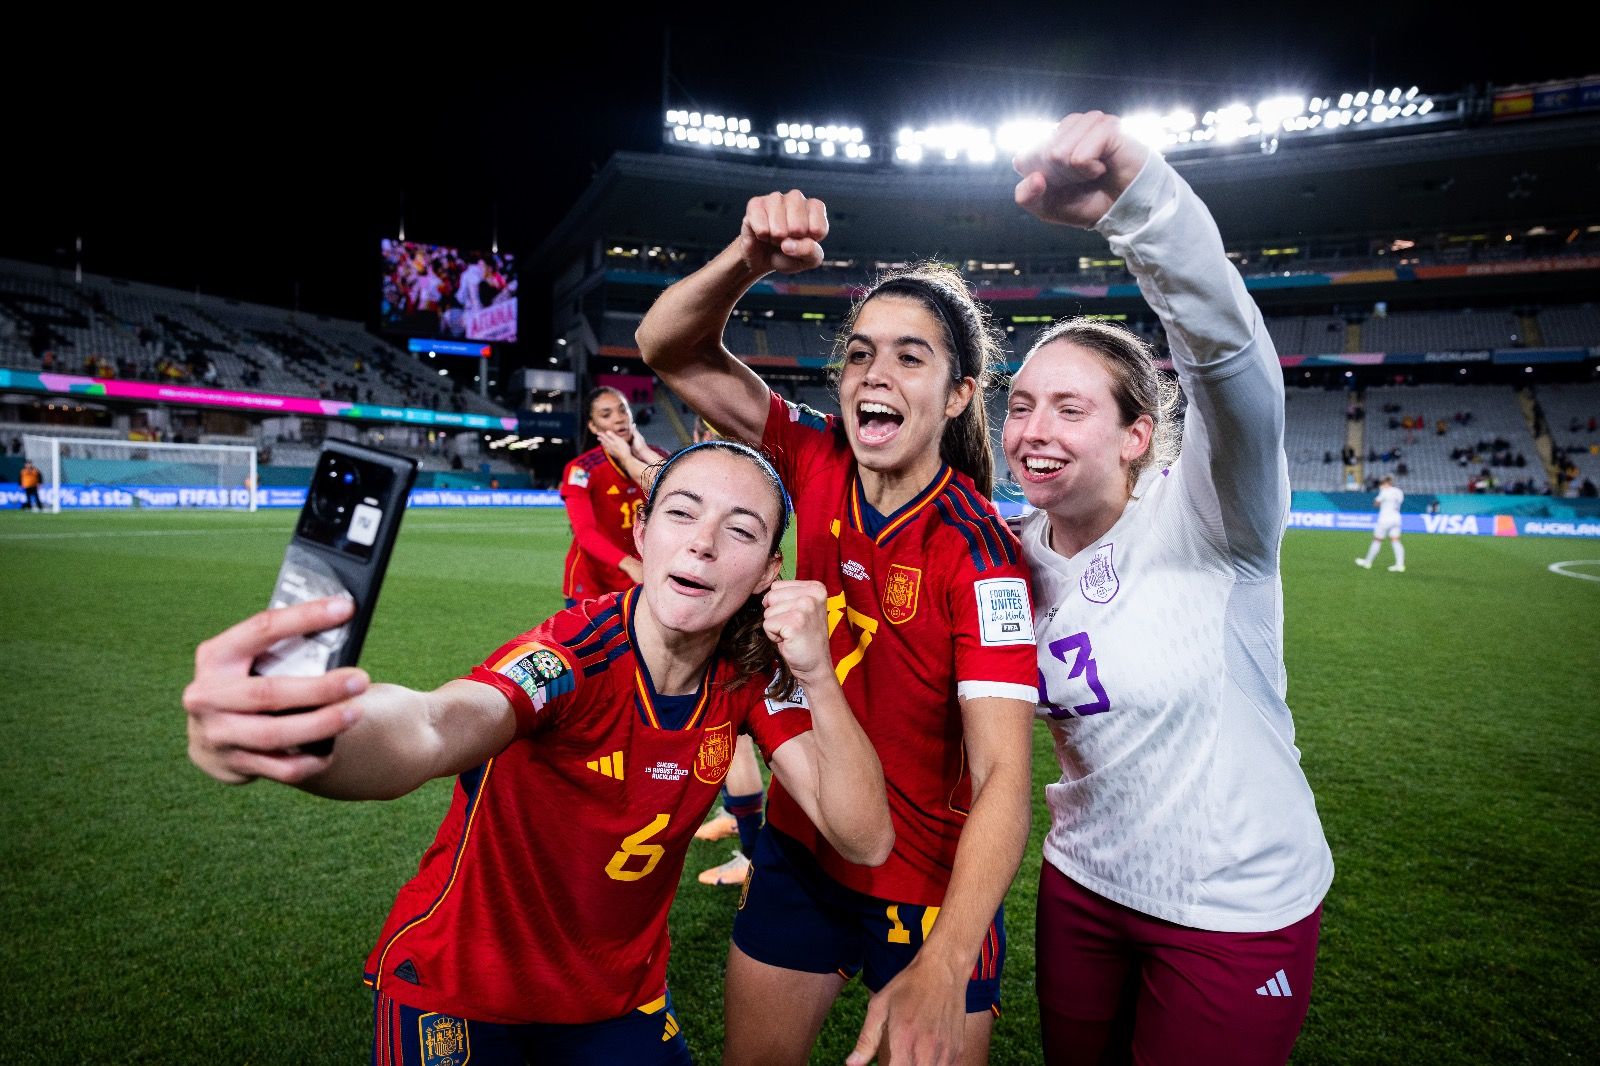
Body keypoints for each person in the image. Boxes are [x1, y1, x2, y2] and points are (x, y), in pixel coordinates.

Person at [182, 440, 892, 1065]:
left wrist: (818, 676)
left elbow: (863, 837)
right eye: (681, 514)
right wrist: (313, 731)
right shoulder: (574, 655)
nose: (703, 543)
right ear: (642, 532)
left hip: (615, 999)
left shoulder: (747, 676)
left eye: (739, 530)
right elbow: (437, 724)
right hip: (461, 987)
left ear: (768, 571)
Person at [638, 190, 1038, 1066]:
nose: (875, 373)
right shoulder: (811, 453)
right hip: (802, 848)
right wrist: (748, 256)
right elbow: (666, 346)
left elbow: (1005, 774)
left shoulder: (980, 557)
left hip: (928, 887)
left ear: (959, 395)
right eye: (860, 353)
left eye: (909, 356)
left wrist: (949, 958)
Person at [1003, 112, 1333, 1066]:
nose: (1034, 430)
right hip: (1081, 886)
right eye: (1020, 406)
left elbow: (1231, 359)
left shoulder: (1212, 518)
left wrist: (1140, 204)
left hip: (1233, 905)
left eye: (1071, 408)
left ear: (1137, 435)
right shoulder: (1009, 553)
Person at [559, 387, 667, 607]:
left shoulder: (655, 457)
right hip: (592, 586)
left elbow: (682, 487)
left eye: (623, 410)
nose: (619, 418)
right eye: (606, 414)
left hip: (641, 582)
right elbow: (585, 533)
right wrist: (630, 564)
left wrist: (642, 451)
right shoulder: (582, 469)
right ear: (593, 426)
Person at [1356, 475, 1406, 572]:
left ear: (1386, 483)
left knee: (1377, 540)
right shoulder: (1399, 492)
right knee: (1396, 541)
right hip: (1396, 518)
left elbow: (1376, 503)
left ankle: (1367, 562)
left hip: (1385, 519)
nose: (1381, 485)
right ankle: (1400, 565)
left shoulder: (1385, 491)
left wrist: (1380, 497)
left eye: (1382, 483)